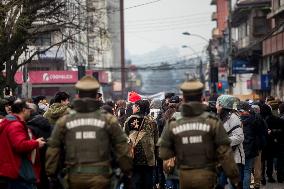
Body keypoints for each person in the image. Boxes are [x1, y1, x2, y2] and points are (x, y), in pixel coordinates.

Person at [45, 76, 132, 189]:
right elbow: (123, 149)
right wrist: (127, 173)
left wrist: (51, 175)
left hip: (73, 179)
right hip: (101, 179)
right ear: (96, 96)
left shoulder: (64, 122)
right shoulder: (109, 120)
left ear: (77, 95)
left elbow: (53, 151)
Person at [158, 79, 241, 189]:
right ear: (201, 98)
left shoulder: (173, 123)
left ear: (184, 98)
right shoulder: (213, 122)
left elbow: (163, 153)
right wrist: (235, 178)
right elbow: (225, 154)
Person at [0, 99, 46, 189]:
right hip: (18, 172)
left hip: (10, 170)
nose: (30, 112)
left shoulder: (9, 122)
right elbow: (19, 145)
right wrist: (36, 143)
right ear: (23, 110)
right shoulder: (16, 125)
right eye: (29, 109)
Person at [124, 99, 159, 189]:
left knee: (135, 180)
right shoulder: (152, 121)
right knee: (148, 181)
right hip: (149, 156)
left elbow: (124, 136)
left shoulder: (130, 119)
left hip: (134, 155)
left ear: (138, 108)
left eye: (134, 106)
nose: (133, 107)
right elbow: (156, 140)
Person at [216, 95, 245, 189]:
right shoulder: (221, 117)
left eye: (218, 104)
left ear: (223, 106)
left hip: (235, 160)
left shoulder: (233, 117)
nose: (216, 106)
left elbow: (239, 137)